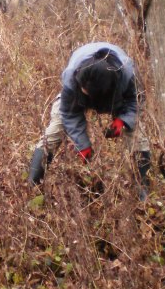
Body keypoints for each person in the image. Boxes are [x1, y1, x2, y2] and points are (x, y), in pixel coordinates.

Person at [28, 42, 152, 198]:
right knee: (54, 131)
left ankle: (143, 191)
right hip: (76, 95)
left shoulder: (128, 74)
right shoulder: (73, 75)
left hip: (117, 96)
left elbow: (136, 101)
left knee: (137, 136)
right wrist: (83, 145)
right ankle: (32, 187)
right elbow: (69, 113)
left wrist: (123, 120)